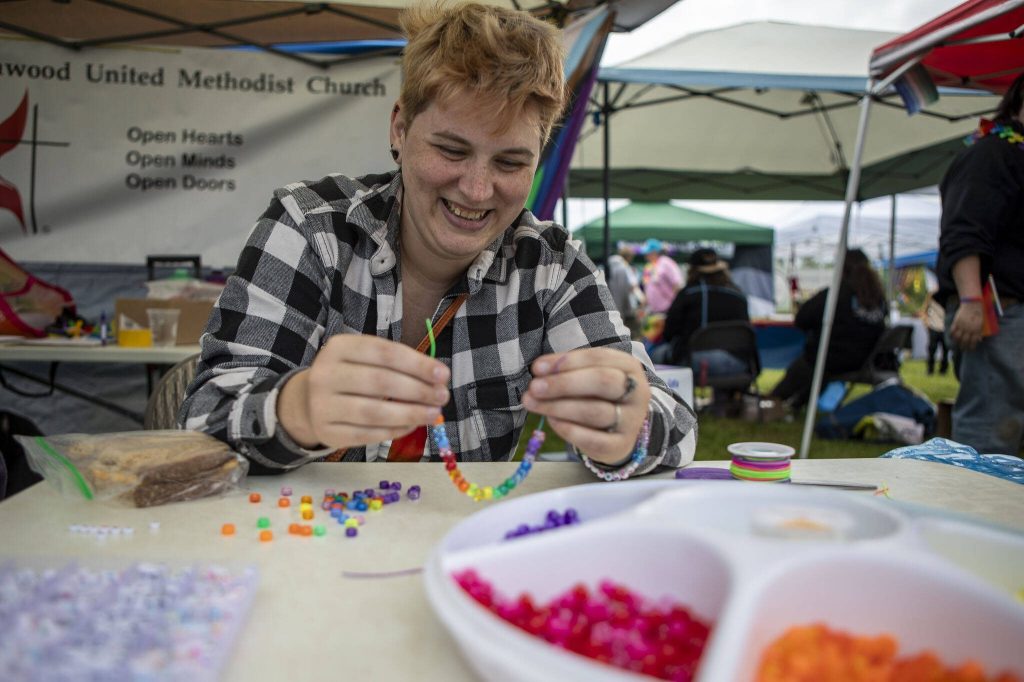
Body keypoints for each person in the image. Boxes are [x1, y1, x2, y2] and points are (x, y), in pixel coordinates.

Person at [180, 2, 696, 477]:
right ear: (400, 129)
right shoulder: (311, 229)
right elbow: (202, 420)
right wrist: (297, 407)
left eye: (511, 162)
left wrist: (630, 427)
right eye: (451, 150)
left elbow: (676, 423)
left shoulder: (552, 267)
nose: (476, 189)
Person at [936, 72, 1024, 455]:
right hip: (996, 312)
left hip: (1009, 312)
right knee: (992, 430)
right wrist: (971, 301)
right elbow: (964, 230)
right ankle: (977, 513)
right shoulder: (992, 152)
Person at [770, 248, 886, 407]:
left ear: (841, 269)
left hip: (832, 359)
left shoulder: (835, 296)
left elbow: (802, 319)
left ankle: (773, 401)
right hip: (866, 360)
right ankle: (795, 403)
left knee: (813, 362)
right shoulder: (879, 300)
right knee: (818, 363)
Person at [658, 248, 749, 372]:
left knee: (654, 355)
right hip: (739, 363)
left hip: (698, 363)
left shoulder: (687, 294)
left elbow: (669, 333)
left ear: (692, 270)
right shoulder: (739, 295)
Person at [604, 245, 645, 337]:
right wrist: (642, 300)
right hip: (626, 308)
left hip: (612, 307)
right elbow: (632, 287)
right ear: (630, 257)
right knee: (635, 334)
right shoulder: (625, 268)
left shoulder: (609, 266)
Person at [640, 238, 683, 315]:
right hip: (653, 311)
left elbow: (677, 284)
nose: (646, 256)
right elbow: (648, 288)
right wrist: (642, 307)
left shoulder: (666, 263)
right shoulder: (648, 266)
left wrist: (677, 305)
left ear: (655, 252)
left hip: (668, 309)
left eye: (648, 253)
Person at [920, 291, 949, 376]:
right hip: (933, 327)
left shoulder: (947, 298)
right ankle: (930, 370)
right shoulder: (931, 298)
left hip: (944, 328)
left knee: (945, 350)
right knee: (931, 349)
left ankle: (943, 370)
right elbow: (924, 310)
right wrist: (926, 322)